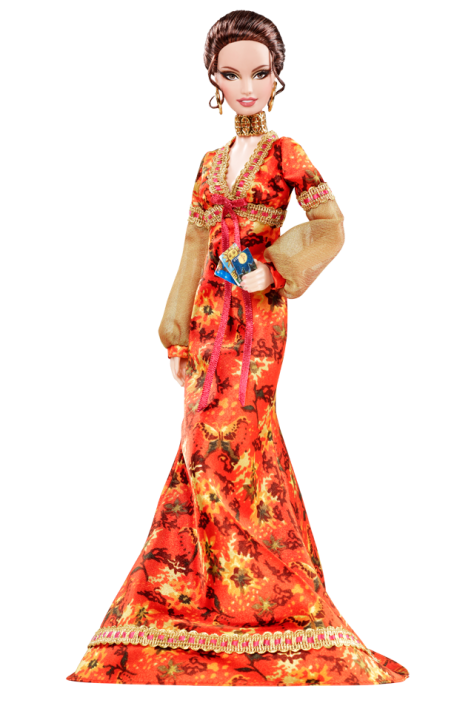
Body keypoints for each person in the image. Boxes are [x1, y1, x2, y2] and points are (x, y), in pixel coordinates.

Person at [65, 10, 409, 686]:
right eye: (231, 74)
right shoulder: (210, 163)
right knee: (197, 446)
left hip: (256, 320)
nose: (246, 86)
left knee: (240, 441)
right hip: (206, 320)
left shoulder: (287, 153)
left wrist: (273, 267)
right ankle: (207, 587)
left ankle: (265, 594)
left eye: (259, 73)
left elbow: (332, 224)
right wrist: (173, 336)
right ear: (214, 83)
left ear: (277, 79)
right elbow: (193, 249)